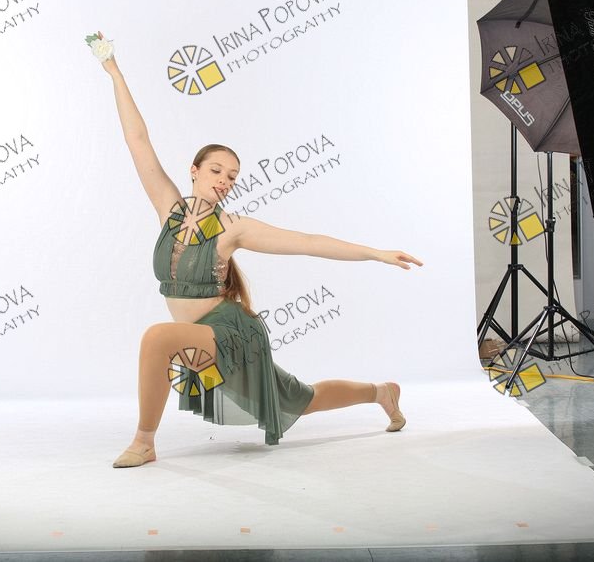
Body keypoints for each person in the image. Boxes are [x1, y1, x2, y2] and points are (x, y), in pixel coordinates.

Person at [91, 34, 423, 469]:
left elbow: (307, 243)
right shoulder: (168, 209)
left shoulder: (233, 229)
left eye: (232, 176)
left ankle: (144, 442)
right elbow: (137, 139)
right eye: (216, 170)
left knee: (157, 338)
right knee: (300, 398)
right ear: (194, 171)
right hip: (199, 338)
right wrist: (114, 71)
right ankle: (382, 393)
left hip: (232, 334)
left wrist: (374, 253)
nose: (224, 180)